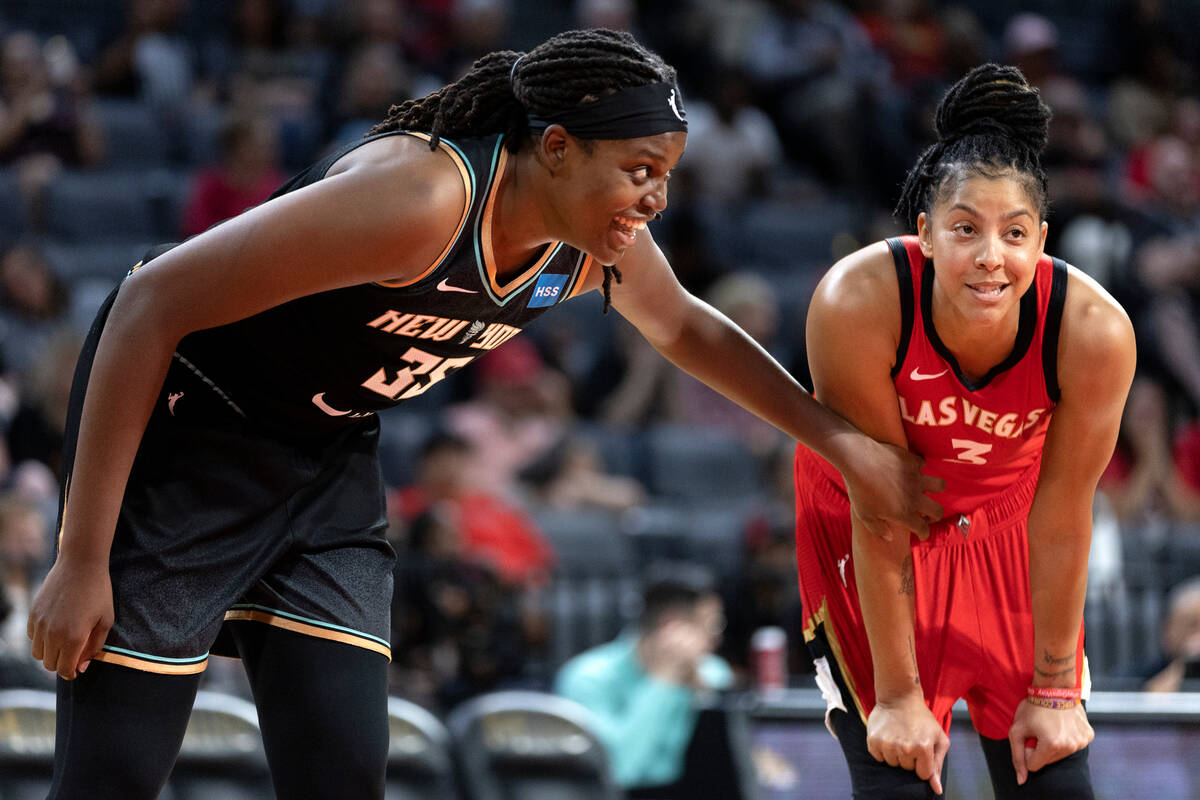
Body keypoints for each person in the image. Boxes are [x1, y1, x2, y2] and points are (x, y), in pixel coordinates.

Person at [25, 28, 941, 799]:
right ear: (554, 148)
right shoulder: (424, 198)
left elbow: (688, 329)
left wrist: (845, 445)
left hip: (328, 452)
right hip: (196, 430)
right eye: (639, 169)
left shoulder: (588, 242)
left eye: (666, 174)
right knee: (114, 775)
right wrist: (79, 557)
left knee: (346, 769)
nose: (655, 199)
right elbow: (149, 300)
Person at [792, 63, 1136, 799]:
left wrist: (1052, 689)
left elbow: (1066, 511)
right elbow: (882, 507)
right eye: (964, 229)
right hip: (874, 518)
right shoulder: (859, 299)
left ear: (1042, 239)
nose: (990, 257)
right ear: (924, 233)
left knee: (1053, 773)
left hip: (1013, 525)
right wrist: (895, 697)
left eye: (1014, 234)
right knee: (897, 770)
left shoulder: (1093, 329)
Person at [554, 563, 732, 796]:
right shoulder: (587, 678)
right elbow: (618, 771)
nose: (716, 640)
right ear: (671, 627)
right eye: (711, 626)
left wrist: (707, 697)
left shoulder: (713, 674)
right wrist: (662, 680)